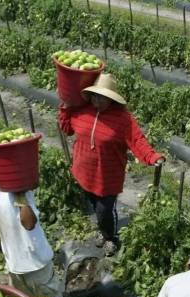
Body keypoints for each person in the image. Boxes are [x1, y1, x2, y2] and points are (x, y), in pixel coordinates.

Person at [59, 73, 165, 256]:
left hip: (108, 176)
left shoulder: (122, 119)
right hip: (84, 172)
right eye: (94, 95)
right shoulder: (83, 111)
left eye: (101, 97)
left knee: (105, 210)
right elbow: (67, 129)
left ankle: (110, 237)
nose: (96, 100)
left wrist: (151, 156)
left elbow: (137, 139)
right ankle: (103, 230)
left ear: (110, 98)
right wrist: (66, 108)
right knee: (94, 204)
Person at [0, 180, 65, 297]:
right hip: (14, 262)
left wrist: (21, 198)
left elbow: (29, 223)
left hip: (35, 262)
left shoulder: (21, 190)